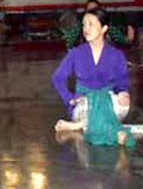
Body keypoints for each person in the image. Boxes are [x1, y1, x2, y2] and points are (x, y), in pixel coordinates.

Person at [52, 8, 135, 147]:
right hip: (83, 105)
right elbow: (57, 78)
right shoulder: (76, 53)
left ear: (104, 28)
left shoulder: (117, 55)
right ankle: (115, 134)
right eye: (84, 24)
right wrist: (69, 99)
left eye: (91, 24)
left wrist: (123, 92)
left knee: (122, 104)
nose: (86, 28)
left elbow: (122, 82)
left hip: (108, 102)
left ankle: (80, 126)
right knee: (92, 106)